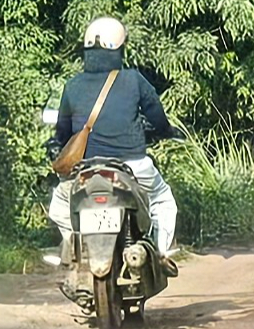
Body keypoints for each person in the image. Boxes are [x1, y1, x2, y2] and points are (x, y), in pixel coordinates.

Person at [47, 17, 180, 262]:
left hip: (84, 169)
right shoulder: (133, 80)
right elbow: (157, 116)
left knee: (59, 206)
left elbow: (62, 132)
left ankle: (73, 249)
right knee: (162, 200)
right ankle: (159, 252)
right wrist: (166, 132)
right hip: (133, 167)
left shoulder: (72, 85)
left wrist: (57, 145)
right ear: (120, 49)